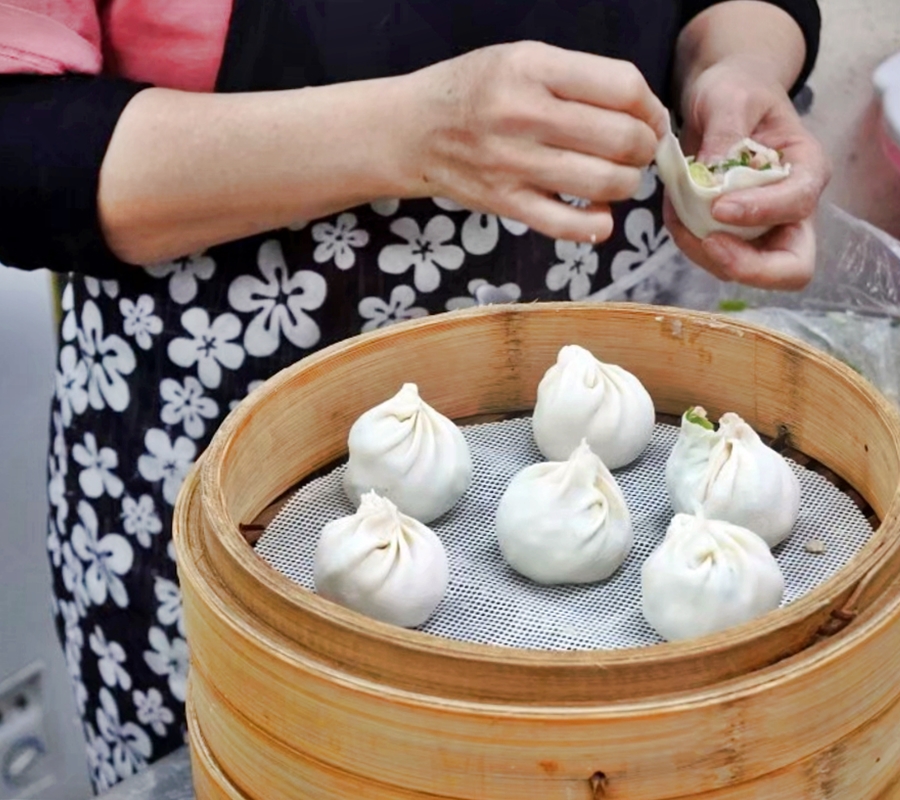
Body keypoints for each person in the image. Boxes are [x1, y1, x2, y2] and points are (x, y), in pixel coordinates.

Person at [0, 0, 828, 791]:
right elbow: (22, 142)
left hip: (623, 368)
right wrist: (407, 130)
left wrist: (736, 65)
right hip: (220, 429)